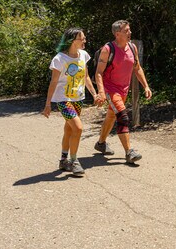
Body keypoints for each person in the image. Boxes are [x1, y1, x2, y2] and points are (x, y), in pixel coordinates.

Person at [43, 27, 102, 176]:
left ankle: (63, 160)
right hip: (63, 99)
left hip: (78, 98)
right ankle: (74, 161)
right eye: (81, 38)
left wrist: (94, 94)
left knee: (70, 129)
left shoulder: (83, 55)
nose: (84, 41)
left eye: (84, 38)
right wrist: (48, 104)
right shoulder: (59, 59)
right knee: (78, 128)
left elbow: (86, 77)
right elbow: (54, 82)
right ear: (71, 41)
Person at [94, 20, 152, 164]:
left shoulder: (132, 47)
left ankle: (101, 143)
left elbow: (137, 68)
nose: (130, 32)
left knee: (112, 116)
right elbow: (99, 73)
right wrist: (101, 92)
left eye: (129, 30)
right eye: (126, 31)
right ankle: (129, 152)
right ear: (117, 34)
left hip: (123, 90)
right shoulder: (108, 49)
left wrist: (146, 86)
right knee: (122, 116)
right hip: (110, 88)